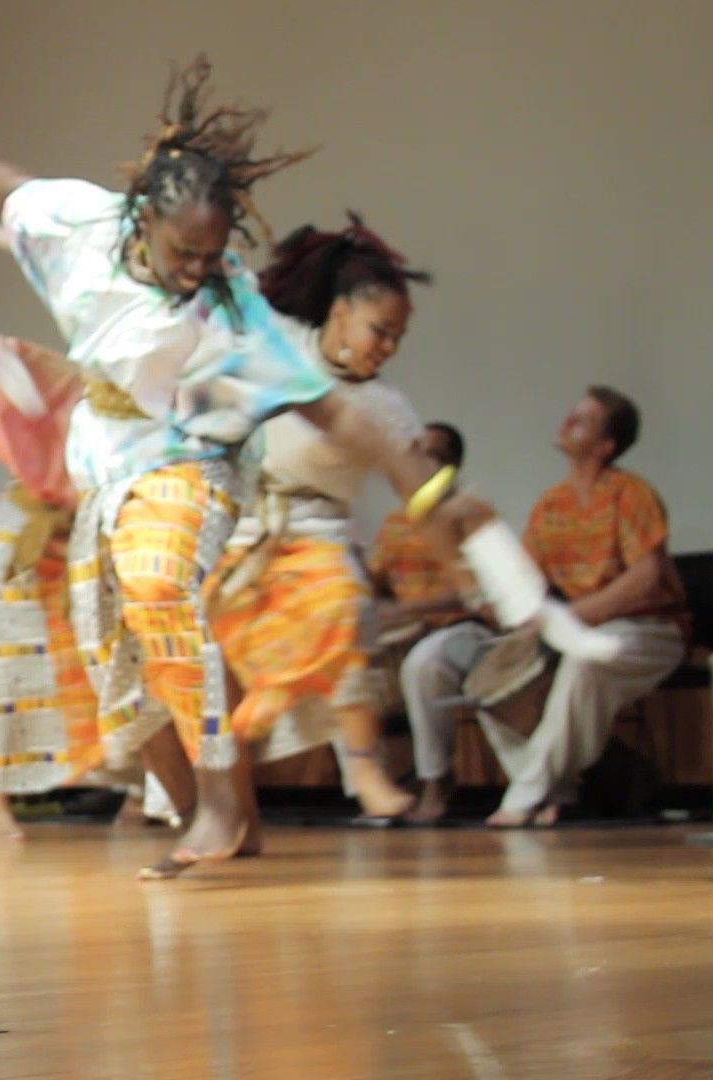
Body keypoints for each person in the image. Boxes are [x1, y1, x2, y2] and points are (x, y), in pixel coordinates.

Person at [0, 57, 503, 877]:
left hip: (196, 462)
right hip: (108, 466)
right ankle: (214, 815)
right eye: (185, 249)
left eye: (215, 250)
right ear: (142, 218)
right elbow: (13, 185)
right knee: (116, 667)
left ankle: (223, 802)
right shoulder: (79, 225)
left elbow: (330, 408)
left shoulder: (230, 305)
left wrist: (424, 483)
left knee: (157, 583)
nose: (200, 266)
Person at [201, 216, 431, 822]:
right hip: (246, 523)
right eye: (380, 330)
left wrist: (458, 532)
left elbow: (418, 487)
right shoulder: (281, 344)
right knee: (200, 651)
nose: (388, 347)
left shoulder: (389, 409)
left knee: (343, 608)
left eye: (398, 338)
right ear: (338, 312)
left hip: (318, 530)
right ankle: (214, 796)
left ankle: (363, 768)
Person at [399, 388, 685, 825]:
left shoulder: (630, 493)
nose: (567, 422)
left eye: (582, 420)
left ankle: (525, 797)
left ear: (606, 445)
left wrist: (573, 618)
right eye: (571, 414)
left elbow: (646, 577)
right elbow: (527, 580)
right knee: (491, 682)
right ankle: (559, 791)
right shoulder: (553, 503)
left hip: (648, 630)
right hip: (582, 629)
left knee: (583, 665)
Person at [0, 333, 133, 840]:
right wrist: (17, 377)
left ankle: (139, 793)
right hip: (24, 531)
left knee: (110, 665)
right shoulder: (63, 378)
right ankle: (0, 799)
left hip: (83, 531)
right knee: (14, 675)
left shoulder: (129, 395)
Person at [369, 423, 477, 639]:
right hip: (408, 624)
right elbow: (377, 581)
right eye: (417, 455)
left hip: (459, 626)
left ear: (454, 465)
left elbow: (472, 592)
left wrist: (407, 609)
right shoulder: (396, 522)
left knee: (424, 666)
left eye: (434, 455)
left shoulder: (469, 516)